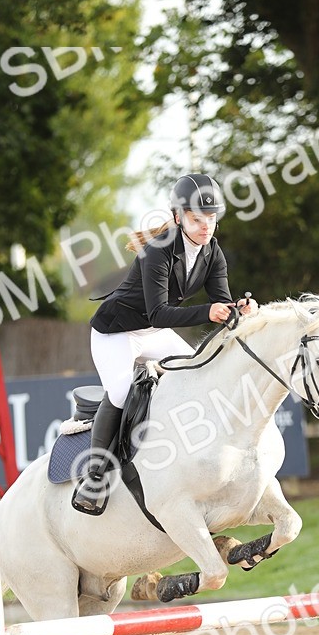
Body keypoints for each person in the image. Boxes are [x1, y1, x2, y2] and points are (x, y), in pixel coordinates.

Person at [73, 173, 256, 513]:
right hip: (117, 332)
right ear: (177, 217)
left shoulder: (212, 252)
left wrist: (240, 311)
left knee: (201, 371)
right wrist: (210, 311)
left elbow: (223, 304)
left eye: (212, 219)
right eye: (196, 219)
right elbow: (158, 313)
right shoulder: (159, 250)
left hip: (153, 334)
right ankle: (94, 476)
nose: (206, 227)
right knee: (120, 392)